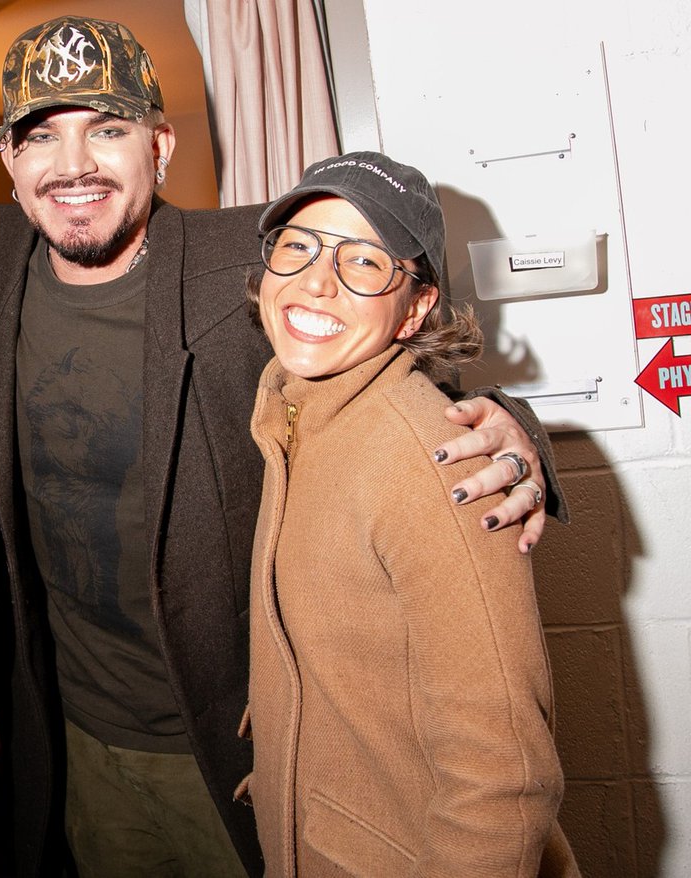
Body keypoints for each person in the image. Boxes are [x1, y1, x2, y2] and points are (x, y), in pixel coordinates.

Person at [0, 15, 568, 878]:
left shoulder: (252, 259)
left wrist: (516, 428)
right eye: (41, 134)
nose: (74, 164)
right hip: (72, 741)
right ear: (7, 159)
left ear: (159, 145)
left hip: (237, 747)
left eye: (109, 128)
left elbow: (395, 362)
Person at [241, 151, 579, 876]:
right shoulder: (294, 406)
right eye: (298, 246)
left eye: (365, 262)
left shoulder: (433, 463)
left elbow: (505, 779)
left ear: (417, 307)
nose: (315, 280)